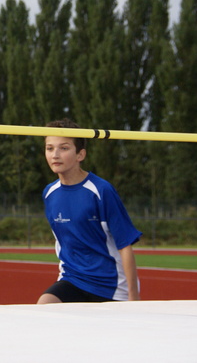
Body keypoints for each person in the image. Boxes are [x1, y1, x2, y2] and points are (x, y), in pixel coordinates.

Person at [37, 118, 141, 304]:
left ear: (80, 155)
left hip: (110, 287)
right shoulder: (50, 193)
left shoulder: (101, 191)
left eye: (64, 148)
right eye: (50, 148)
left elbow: (125, 246)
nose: (55, 155)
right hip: (73, 280)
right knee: (45, 304)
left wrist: (133, 299)